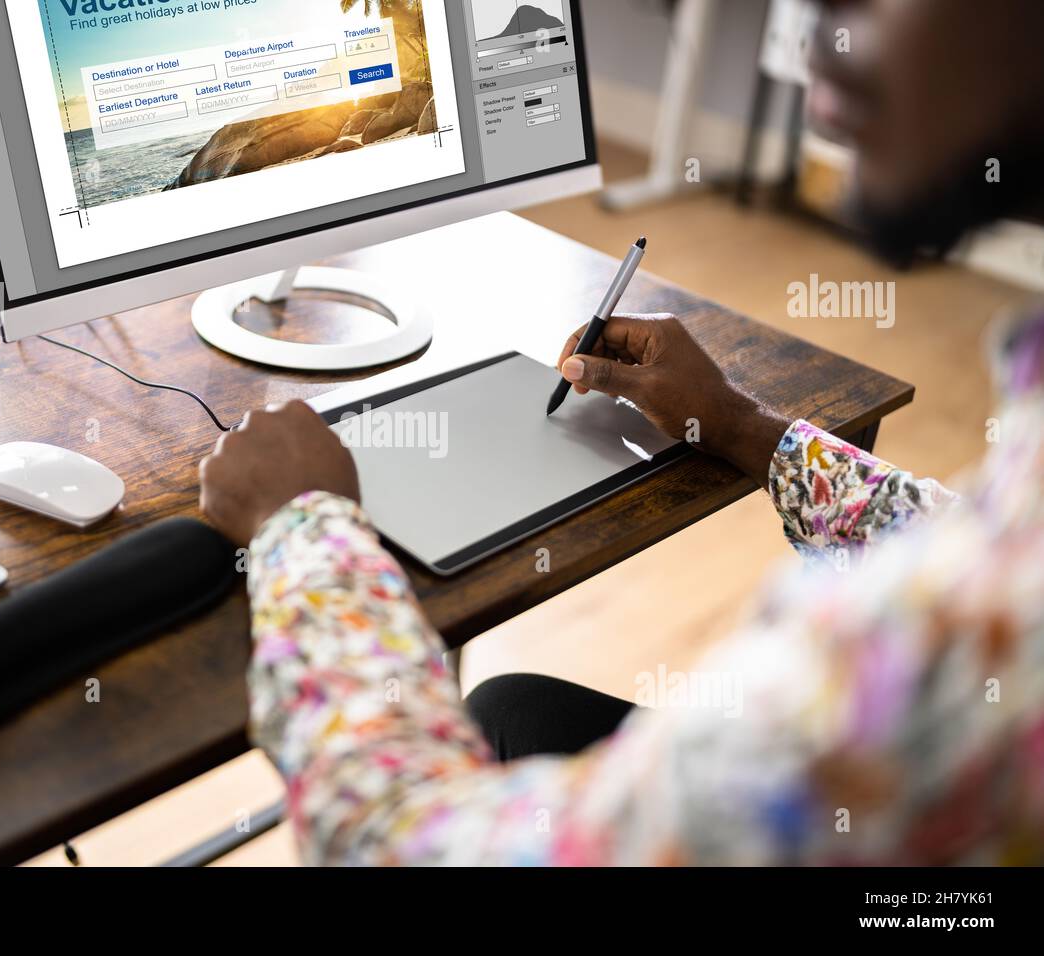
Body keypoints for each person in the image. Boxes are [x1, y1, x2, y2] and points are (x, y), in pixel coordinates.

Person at [197, 0, 1044, 865]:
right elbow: (964, 531)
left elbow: (400, 845)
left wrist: (302, 527)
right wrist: (740, 426)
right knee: (513, 712)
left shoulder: (955, 647)